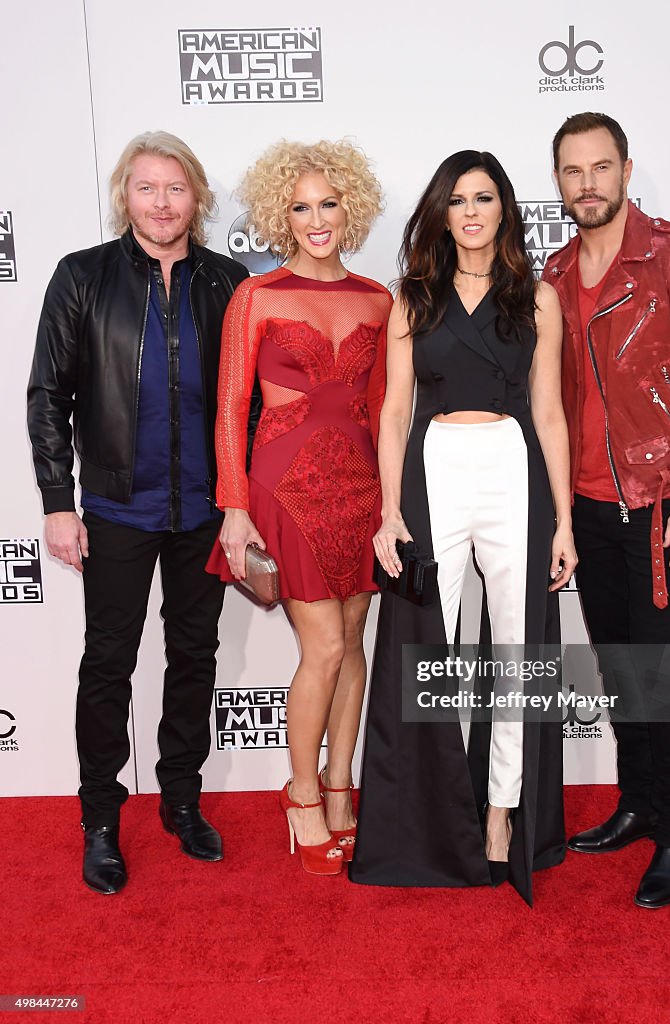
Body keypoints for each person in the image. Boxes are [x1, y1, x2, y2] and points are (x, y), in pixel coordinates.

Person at [27, 131, 252, 894]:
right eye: (146, 187)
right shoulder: (81, 277)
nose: (162, 202)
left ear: (197, 199)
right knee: (108, 664)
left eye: (176, 188)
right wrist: (60, 502)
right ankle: (100, 819)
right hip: (118, 507)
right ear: (126, 195)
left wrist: (242, 505)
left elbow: (251, 405)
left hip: (206, 513)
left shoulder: (228, 283)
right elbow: (48, 396)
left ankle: (181, 801)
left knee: (195, 657)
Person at [350, 150, 576, 905]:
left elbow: (548, 412)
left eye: (485, 197)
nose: (472, 211)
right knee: (431, 656)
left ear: (505, 209)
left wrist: (564, 520)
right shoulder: (412, 296)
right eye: (458, 199)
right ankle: (429, 824)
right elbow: (393, 412)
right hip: (436, 467)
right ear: (442, 213)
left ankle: (502, 816)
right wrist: (389, 509)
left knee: (517, 655)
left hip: (512, 469)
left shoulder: (537, 298)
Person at [543, 112, 670, 908]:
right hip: (587, 507)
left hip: (658, 503)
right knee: (621, 668)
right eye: (571, 171)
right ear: (557, 180)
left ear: (626, 169)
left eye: (600, 167)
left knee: (660, 674)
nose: (587, 183)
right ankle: (637, 801)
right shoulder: (553, 273)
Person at [207, 140, 391, 875]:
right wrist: (234, 507)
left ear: (351, 206)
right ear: (281, 215)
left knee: (353, 647)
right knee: (322, 648)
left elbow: (385, 413)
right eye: (300, 206)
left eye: (328, 203)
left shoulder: (379, 298)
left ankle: (344, 790)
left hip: (363, 492)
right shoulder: (258, 295)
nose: (317, 219)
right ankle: (304, 795)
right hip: (284, 490)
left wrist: (395, 506)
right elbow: (229, 408)